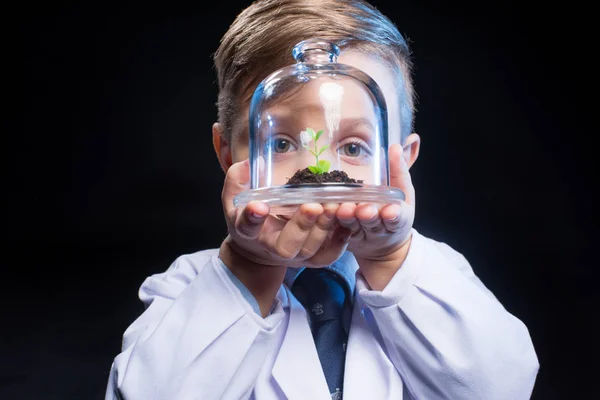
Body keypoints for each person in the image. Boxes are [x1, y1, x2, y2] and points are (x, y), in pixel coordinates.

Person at [104, 1, 539, 399]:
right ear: (227, 154)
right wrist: (250, 266)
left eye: (353, 148)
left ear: (402, 163)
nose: (314, 173)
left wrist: (391, 257)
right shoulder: (187, 284)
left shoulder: (437, 275)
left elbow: (503, 386)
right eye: (279, 144)